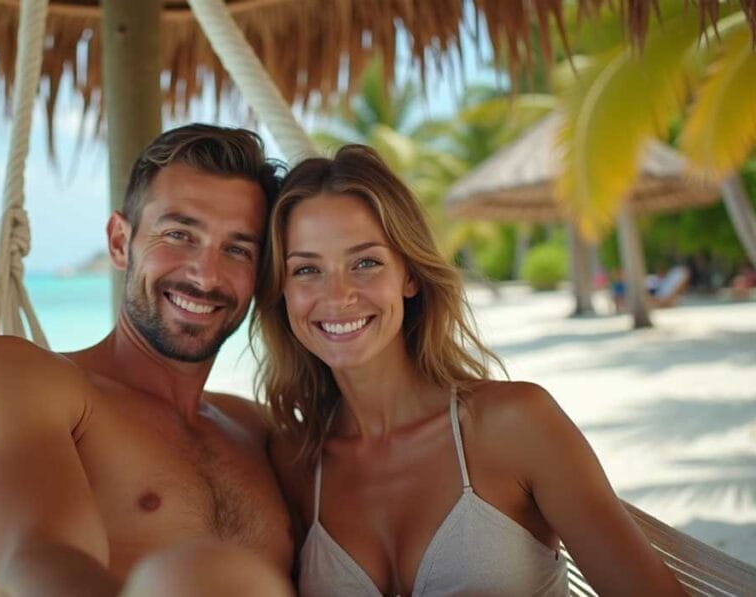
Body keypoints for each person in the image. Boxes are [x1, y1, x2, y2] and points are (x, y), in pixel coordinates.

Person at [253, 145, 685, 596]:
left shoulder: (515, 424)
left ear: (410, 275)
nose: (338, 294)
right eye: (306, 269)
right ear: (282, 292)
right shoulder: (296, 463)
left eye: (366, 263)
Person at [0, 124, 294, 596]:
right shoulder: (32, 381)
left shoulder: (257, 430)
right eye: (179, 234)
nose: (205, 274)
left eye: (237, 249)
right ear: (118, 241)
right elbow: (32, 559)